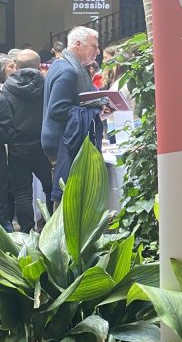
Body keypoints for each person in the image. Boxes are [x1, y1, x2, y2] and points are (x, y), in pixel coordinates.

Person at [42, 26, 106, 199]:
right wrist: (94, 110)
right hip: (64, 144)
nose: (98, 51)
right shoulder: (68, 70)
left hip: (61, 140)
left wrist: (98, 108)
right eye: (94, 46)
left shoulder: (62, 64)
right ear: (78, 44)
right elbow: (58, 109)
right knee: (68, 200)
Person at [0, 49, 53, 232]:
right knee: (50, 188)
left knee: (22, 194)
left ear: (16, 66)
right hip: (43, 145)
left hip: (17, 147)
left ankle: (27, 232)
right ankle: (50, 227)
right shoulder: (46, 84)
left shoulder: (7, 88)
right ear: (38, 65)